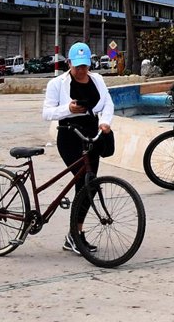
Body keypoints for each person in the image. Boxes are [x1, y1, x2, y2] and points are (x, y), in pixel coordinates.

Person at [41, 42, 114, 253]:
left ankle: (74, 234)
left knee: (90, 184)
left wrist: (105, 122)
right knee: (83, 183)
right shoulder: (57, 84)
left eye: (85, 65)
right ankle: (75, 235)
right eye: (77, 66)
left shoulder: (98, 80)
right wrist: (68, 109)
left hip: (92, 133)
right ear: (69, 63)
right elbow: (47, 113)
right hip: (70, 135)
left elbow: (108, 104)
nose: (82, 70)